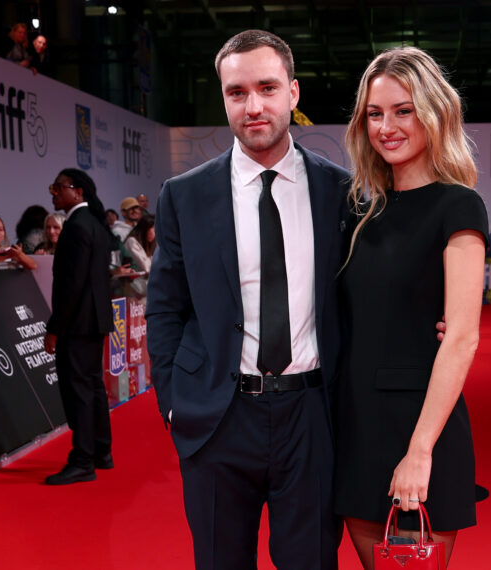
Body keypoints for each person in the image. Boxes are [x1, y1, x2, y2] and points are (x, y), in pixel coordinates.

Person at [146, 30, 350, 569]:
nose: (253, 106)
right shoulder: (184, 195)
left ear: (293, 92)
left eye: (267, 88)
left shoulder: (341, 193)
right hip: (218, 415)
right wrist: (173, 401)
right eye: (237, 92)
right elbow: (165, 306)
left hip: (312, 415)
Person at [334, 46, 487, 570]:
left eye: (403, 111)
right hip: (355, 424)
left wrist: (420, 451)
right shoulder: (359, 210)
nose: (386, 127)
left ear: (434, 113)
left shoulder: (458, 205)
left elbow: (462, 336)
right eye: (374, 114)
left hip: (420, 425)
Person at [42, 168, 113, 485]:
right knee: (93, 386)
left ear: (78, 191)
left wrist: (55, 327)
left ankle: (83, 459)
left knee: (80, 391)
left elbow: (71, 284)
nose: (54, 192)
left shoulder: (76, 226)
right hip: (94, 320)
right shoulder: (95, 223)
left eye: (59, 187)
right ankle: (101, 451)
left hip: (78, 322)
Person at [122, 215, 155, 296]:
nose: (155, 233)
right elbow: (146, 267)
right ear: (145, 229)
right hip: (131, 288)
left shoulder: (149, 244)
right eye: (154, 228)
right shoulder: (132, 241)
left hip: (142, 287)